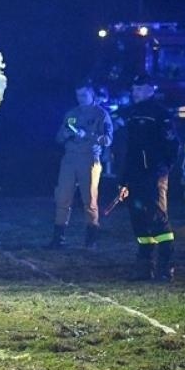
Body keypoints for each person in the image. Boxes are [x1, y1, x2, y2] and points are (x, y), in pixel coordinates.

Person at [119, 74, 180, 281]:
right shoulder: (132, 114)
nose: (134, 93)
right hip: (135, 174)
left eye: (139, 89)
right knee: (138, 219)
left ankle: (166, 266)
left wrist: (163, 168)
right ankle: (144, 266)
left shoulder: (160, 114)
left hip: (154, 174)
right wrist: (124, 178)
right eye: (133, 89)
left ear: (150, 89)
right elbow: (129, 149)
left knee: (158, 218)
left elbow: (172, 144)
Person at [49, 84, 112, 250]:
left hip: (89, 159)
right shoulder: (71, 114)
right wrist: (65, 134)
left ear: (92, 94)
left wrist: (89, 135)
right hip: (69, 159)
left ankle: (91, 238)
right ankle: (58, 238)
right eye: (78, 95)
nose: (80, 99)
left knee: (89, 199)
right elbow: (58, 137)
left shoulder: (101, 114)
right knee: (62, 197)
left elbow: (107, 140)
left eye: (84, 95)